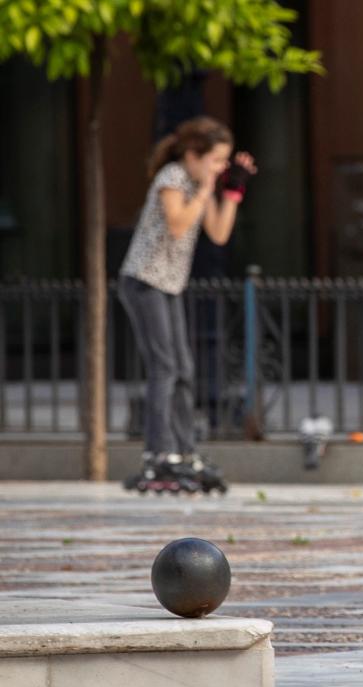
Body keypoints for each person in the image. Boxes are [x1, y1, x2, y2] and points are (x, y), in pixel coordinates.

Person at [118, 116, 257, 494]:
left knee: (184, 366)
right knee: (164, 366)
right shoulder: (172, 178)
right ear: (194, 156)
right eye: (214, 160)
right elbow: (178, 223)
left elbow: (218, 232)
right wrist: (206, 188)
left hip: (168, 285)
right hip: (144, 281)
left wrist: (231, 193)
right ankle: (158, 453)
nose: (218, 168)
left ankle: (184, 451)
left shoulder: (197, 183)